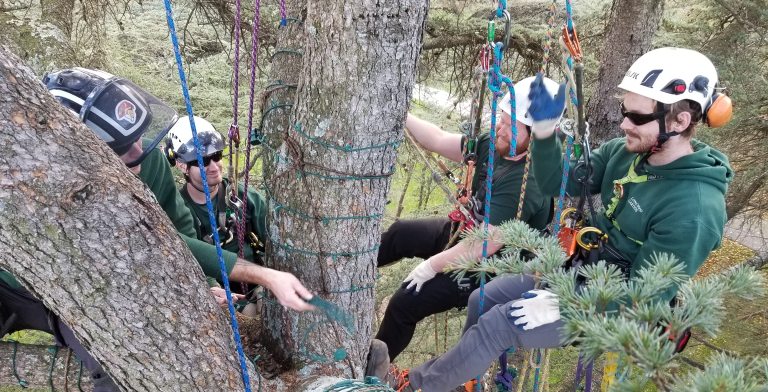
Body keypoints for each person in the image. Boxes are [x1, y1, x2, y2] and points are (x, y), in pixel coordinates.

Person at [371, 47, 734, 391]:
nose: (624, 123)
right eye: (625, 110)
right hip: (579, 270)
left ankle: (416, 386)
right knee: (483, 300)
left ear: (680, 120)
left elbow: (648, 295)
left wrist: (567, 304)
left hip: (620, 306)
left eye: (636, 117)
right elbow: (555, 181)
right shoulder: (625, 153)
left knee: (501, 323)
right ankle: (461, 377)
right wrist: (543, 133)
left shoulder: (695, 209)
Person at [0, 67, 313, 391]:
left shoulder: (149, 163)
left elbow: (172, 234)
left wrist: (207, 284)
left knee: (125, 371)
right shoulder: (46, 182)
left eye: (137, 136)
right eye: (121, 148)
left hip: (80, 297)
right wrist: (264, 276)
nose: (138, 153)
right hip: (10, 286)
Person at [372, 76, 557, 364]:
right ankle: (343, 276)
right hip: (465, 232)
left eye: (511, 126)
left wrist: (430, 266)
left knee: (405, 302)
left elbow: (484, 246)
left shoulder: (528, 182)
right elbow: (436, 139)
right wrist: (401, 113)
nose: (500, 128)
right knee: (400, 233)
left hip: (487, 266)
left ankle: (368, 372)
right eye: (502, 119)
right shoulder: (492, 145)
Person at [165, 115, 268, 297]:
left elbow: (272, 237)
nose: (214, 166)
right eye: (202, 161)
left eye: (216, 156)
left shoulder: (243, 196)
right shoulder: (178, 210)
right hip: (214, 295)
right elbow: (188, 259)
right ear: (182, 166)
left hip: (258, 285)